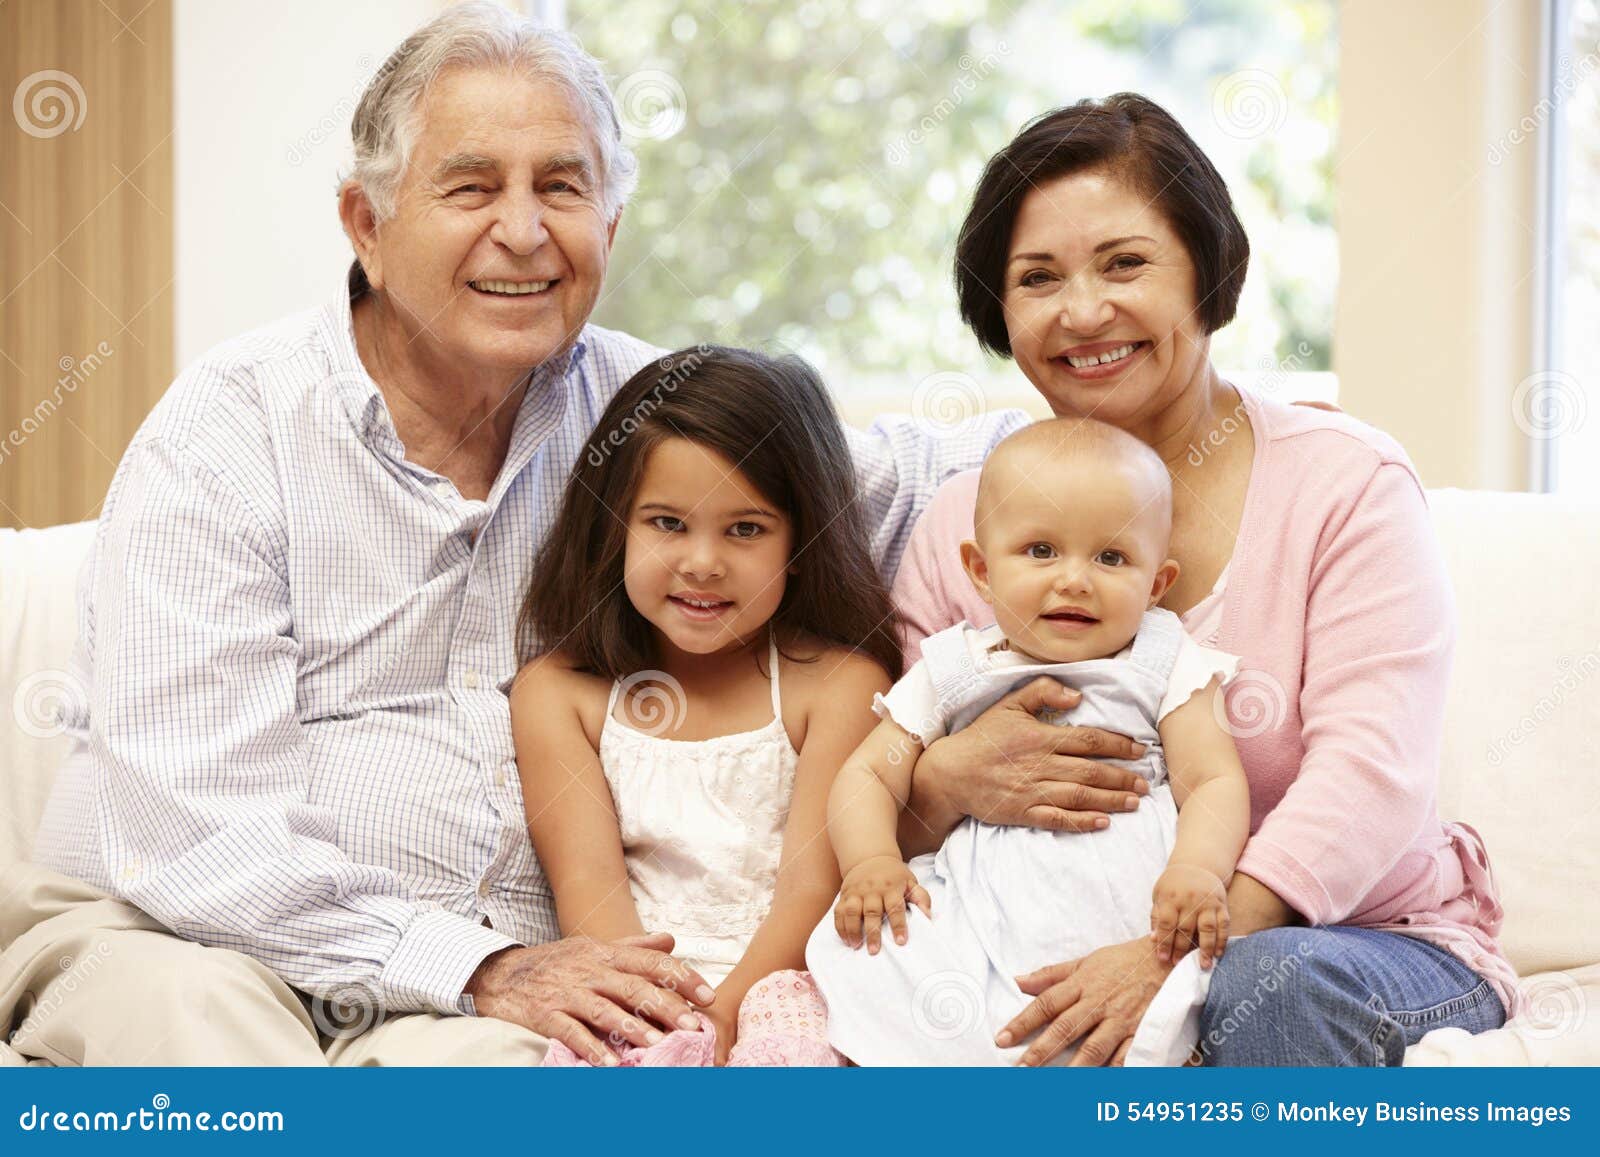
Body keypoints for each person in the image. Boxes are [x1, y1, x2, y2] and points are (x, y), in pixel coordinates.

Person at [0, 5, 1029, 1065]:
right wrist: (474, 964)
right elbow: (192, 831)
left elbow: (924, 473)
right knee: (206, 1030)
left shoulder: (649, 416)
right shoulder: (229, 428)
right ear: (365, 221)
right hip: (187, 934)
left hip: (498, 992)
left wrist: (1169, 421)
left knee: (515, 1090)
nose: (526, 230)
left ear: (611, 228)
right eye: (472, 185)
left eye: (563, 186)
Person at [882, 93, 1516, 1066]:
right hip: (1044, 953)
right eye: (1036, 277)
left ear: (1205, 270)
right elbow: (897, 780)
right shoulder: (960, 525)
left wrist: (1174, 954)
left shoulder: (1344, 485)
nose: (1082, 309)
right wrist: (944, 781)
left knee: (1266, 987)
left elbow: (1371, 775)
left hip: (1357, 941)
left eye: (1124, 262)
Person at [806, 417, 1249, 1065]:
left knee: (1138, 1043)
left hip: (1125, 917)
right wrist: (872, 860)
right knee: (881, 959)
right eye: (1041, 551)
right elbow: (869, 773)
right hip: (979, 911)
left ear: (1156, 584)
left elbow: (1213, 776)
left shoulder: (1163, 659)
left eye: (1111, 557)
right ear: (980, 571)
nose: (1074, 579)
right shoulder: (955, 666)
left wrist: (1198, 868)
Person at [512, 346, 897, 1067]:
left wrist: (723, 1019)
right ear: (613, 525)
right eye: (666, 523)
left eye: (746, 529)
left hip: (789, 984)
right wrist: (659, 1018)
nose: (702, 562)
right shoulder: (560, 692)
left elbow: (809, 885)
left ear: (801, 540)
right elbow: (588, 886)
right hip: (633, 986)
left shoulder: (837, 683)